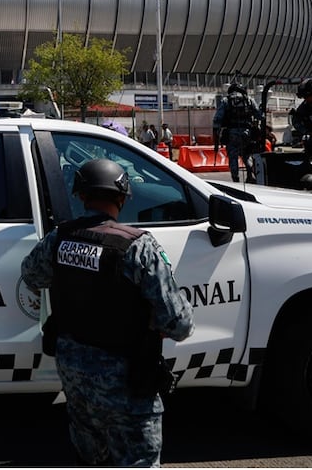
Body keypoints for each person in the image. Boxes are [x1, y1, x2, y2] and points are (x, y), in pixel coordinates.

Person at [21, 159, 194, 467]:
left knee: (91, 458)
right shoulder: (138, 246)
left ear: (81, 196)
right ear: (123, 196)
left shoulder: (59, 239)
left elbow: (32, 277)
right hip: (125, 379)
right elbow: (178, 323)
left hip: (74, 374)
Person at [212, 83, 262, 183]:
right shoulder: (249, 100)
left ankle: (236, 179)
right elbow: (259, 115)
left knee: (233, 156)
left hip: (232, 133)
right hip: (247, 133)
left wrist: (216, 138)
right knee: (247, 155)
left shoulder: (226, 100)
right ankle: (250, 175)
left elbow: (217, 120)